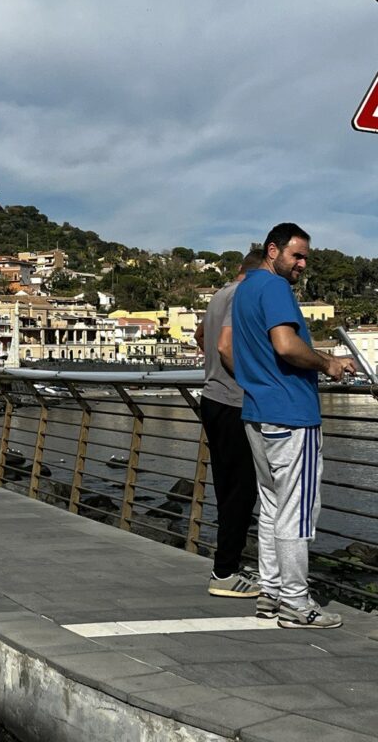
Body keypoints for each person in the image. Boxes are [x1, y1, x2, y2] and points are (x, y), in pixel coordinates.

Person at [231, 223, 355, 629]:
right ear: (273, 251)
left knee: (270, 507)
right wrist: (328, 363)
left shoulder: (245, 289)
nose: (302, 264)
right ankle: (296, 603)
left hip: (257, 413)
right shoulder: (274, 288)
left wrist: (266, 376)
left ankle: (269, 592)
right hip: (291, 415)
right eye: (296, 255)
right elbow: (285, 345)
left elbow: (232, 348)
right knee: (296, 513)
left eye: (305, 257)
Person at [194, 248, 264, 598]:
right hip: (235, 400)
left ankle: (228, 565)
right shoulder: (243, 294)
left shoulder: (220, 294)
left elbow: (200, 337)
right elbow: (224, 346)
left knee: (227, 485)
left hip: (212, 398)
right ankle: (225, 572)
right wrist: (255, 380)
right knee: (243, 488)